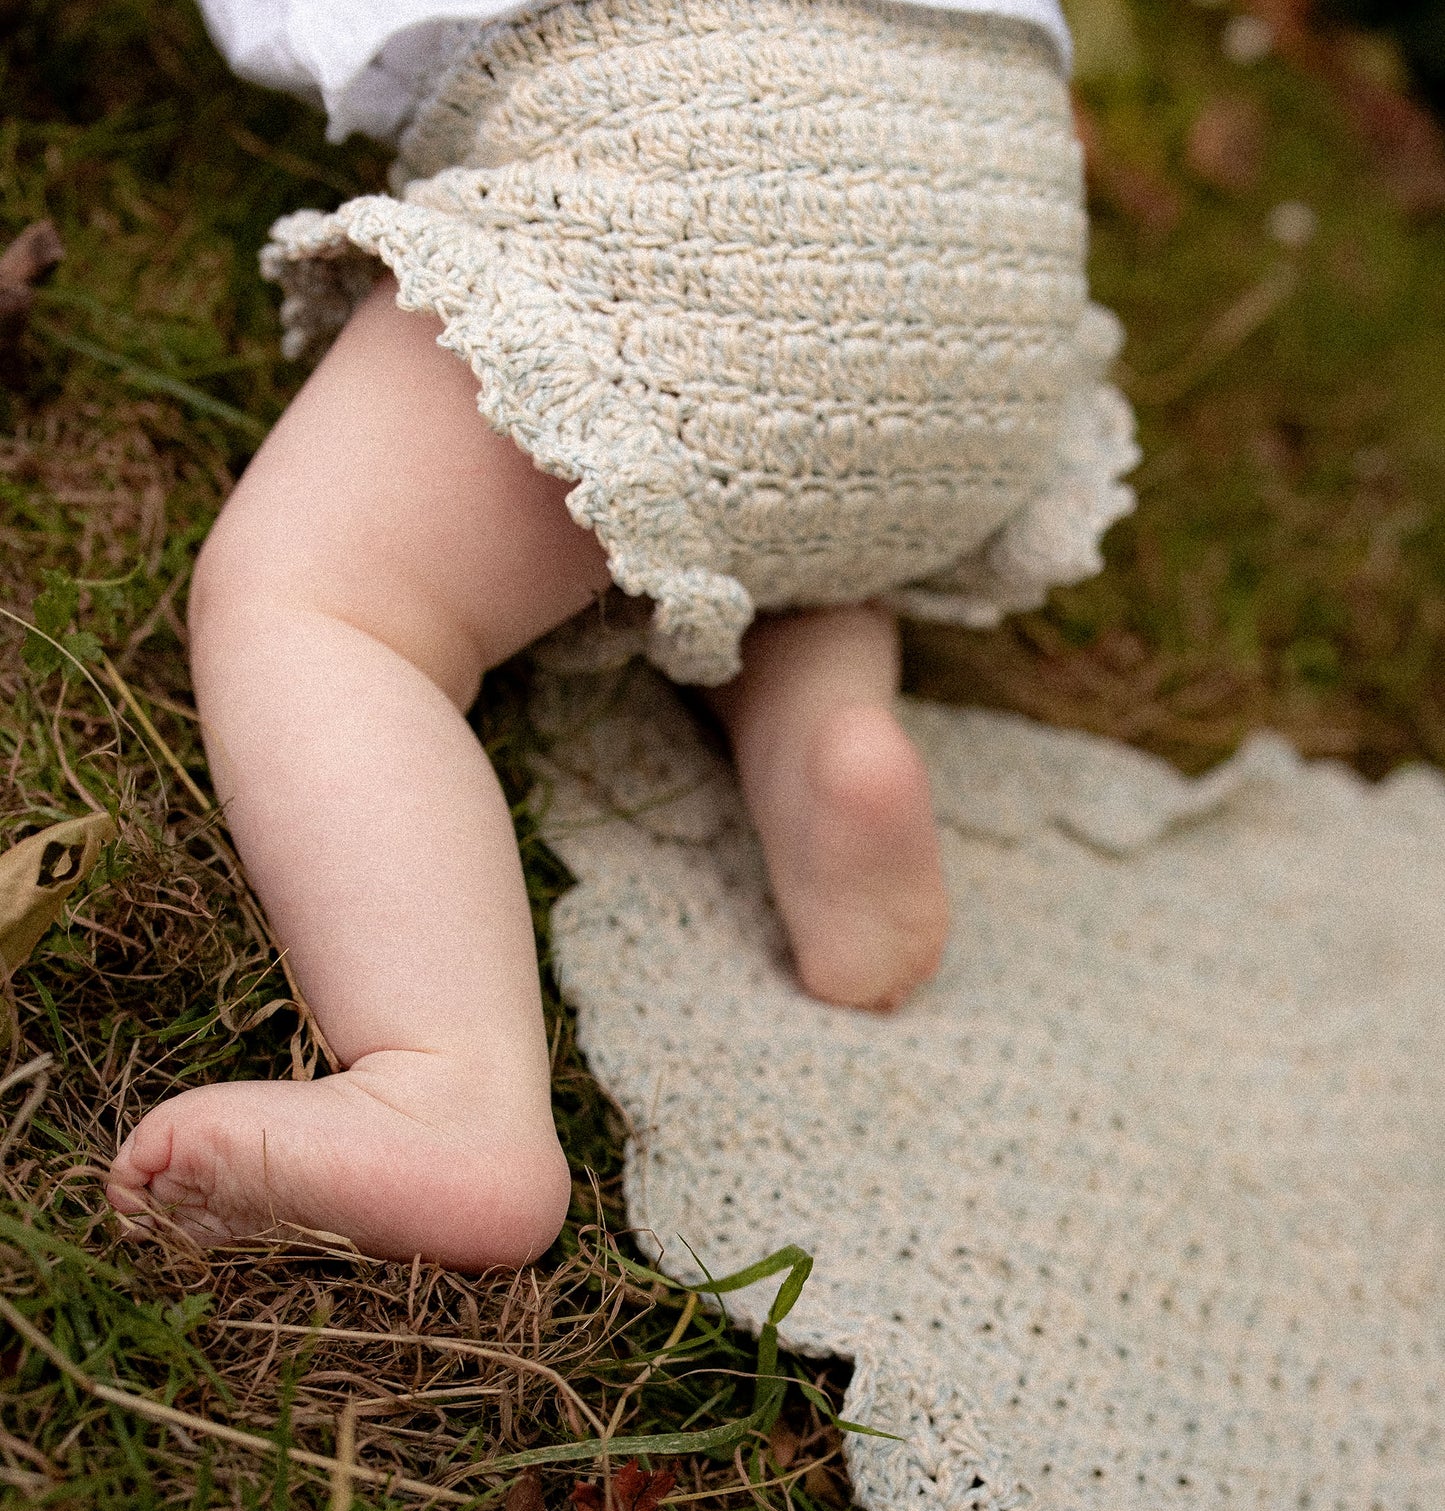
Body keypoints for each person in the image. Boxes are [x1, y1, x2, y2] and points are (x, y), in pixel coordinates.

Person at [106, 0, 1138, 1270]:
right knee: (790, 463)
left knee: (323, 601)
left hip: (693, 206)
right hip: (985, 266)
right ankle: (822, 728)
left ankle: (447, 1088)